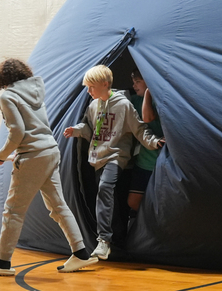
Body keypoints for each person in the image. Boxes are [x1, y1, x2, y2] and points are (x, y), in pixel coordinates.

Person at [0, 58, 97, 276]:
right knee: (59, 207)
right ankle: (80, 254)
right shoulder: (35, 92)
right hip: (50, 151)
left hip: (33, 157)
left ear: (2, 78)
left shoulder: (8, 96)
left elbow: (18, 133)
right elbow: (35, 131)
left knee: (13, 211)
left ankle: (2, 263)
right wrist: (12, 155)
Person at [63, 65, 164, 260]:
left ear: (105, 84)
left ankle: (104, 240)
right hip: (97, 157)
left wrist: (154, 141)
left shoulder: (123, 105)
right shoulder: (93, 106)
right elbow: (89, 128)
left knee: (105, 187)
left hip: (115, 156)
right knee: (110, 199)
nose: (89, 91)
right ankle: (117, 241)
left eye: (91, 87)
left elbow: (139, 128)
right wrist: (76, 130)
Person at [127, 70, 163, 214]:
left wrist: (148, 93)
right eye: (133, 82)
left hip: (160, 161)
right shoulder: (134, 100)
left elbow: (148, 118)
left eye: (138, 82)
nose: (134, 86)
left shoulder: (159, 100)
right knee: (133, 201)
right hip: (144, 159)